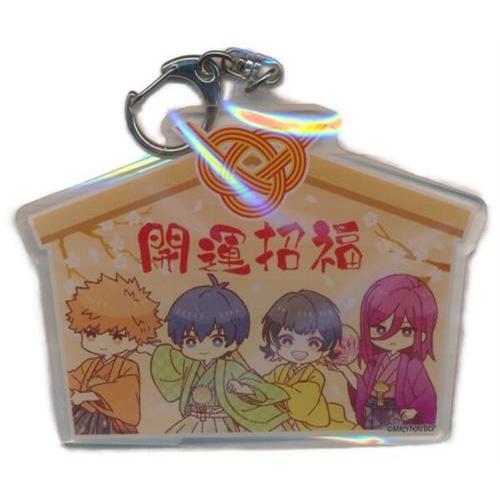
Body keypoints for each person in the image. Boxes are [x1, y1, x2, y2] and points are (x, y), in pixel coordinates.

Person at [142, 274, 289, 433]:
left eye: (217, 341)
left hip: (220, 423)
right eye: (190, 341)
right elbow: (166, 361)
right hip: (192, 420)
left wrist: (244, 388)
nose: (203, 348)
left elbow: (257, 384)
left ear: (234, 342)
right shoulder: (188, 365)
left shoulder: (231, 368)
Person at [330, 274, 438, 429]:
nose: (392, 337)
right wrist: (344, 370)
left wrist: (414, 410)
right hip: (372, 410)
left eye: (406, 331)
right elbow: (363, 388)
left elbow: (426, 395)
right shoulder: (377, 360)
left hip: (396, 413)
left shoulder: (413, 365)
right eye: (380, 329)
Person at [66, 274, 162, 434]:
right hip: (84, 417)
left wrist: (87, 396)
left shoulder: (128, 367)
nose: (103, 343)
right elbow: (72, 379)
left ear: (133, 339)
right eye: (91, 334)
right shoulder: (90, 364)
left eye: (117, 337)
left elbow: (124, 393)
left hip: (112, 424)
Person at [261, 290, 357, 431]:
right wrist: (249, 387)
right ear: (273, 341)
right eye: (287, 340)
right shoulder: (280, 371)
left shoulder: (314, 376)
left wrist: (273, 390)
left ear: (327, 347)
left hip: (311, 428)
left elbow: (303, 404)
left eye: (313, 343)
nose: (299, 350)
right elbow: (263, 385)